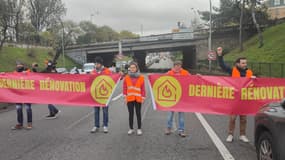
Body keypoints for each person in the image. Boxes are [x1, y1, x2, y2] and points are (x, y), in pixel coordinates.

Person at [216, 46, 256, 143]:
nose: (245, 64)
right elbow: (222, 65)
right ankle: (230, 134)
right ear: (237, 64)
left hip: (244, 99)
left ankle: (242, 135)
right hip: (234, 99)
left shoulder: (249, 72)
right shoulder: (232, 70)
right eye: (243, 63)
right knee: (233, 118)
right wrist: (220, 55)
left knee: (243, 118)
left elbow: (253, 85)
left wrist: (254, 79)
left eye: (245, 63)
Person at [165, 60, 190, 137]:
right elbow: (161, 78)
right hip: (172, 98)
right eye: (176, 66)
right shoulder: (169, 73)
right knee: (170, 114)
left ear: (181, 66)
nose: (178, 68)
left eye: (179, 66)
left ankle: (181, 130)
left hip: (181, 97)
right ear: (174, 66)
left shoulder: (185, 73)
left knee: (181, 115)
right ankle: (168, 128)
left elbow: (193, 79)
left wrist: (198, 76)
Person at [123, 62, 146, 136]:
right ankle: (131, 129)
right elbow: (125, 87)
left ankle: (139, 129)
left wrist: (143, 97)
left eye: (134, 67)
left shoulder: (141, 77)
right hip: (129, 98)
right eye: (131, 67)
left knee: (138, 114)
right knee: (131, 114)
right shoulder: (126, 77)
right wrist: (125, 96)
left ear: (136, 68)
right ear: (129, 68)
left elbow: (143, 89)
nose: (132, 69)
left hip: (138, 98)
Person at [90, 57, 111, 133]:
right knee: (96, 111)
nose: (96, 65)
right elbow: (89, 81)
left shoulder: (107, 71)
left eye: (97, 63)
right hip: (95, 95)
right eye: (95, 63)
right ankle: (96, 126)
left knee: (105, 111)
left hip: (105, 95)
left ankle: (105, 126)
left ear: (101, 64)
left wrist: (121, 76)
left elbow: (113, 79)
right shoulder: (93, 72)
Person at [11, 62, 33, 130]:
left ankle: (29, 123)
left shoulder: (28, 72)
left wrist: (27, 74)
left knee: (28, 108)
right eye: (18, 65)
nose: (19, 66)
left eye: (20, 65)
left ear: (23, 66)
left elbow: (35, 78)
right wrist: (2, 75)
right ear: (16, 66)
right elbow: (8, 79)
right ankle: (20, 124)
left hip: (27, 94)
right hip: (18, 94)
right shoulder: (14, 73)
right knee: (18, 108)